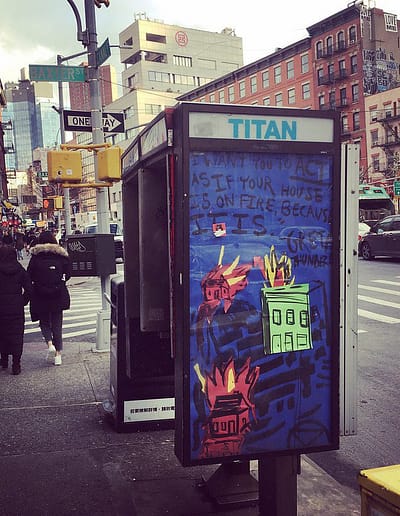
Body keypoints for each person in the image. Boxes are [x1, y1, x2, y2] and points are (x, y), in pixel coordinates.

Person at [27, 231, 71, 366]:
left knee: (44, 322)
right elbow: (68, 273)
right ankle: (58, 355)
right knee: (57, 324)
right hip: (58, 294)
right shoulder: (61, 256)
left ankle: (50, 343)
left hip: (40, 294)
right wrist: (59, 282)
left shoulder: (36, 257)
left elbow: (29, 275)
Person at [0, 244, 32, 375]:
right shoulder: (19, 270)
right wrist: (23, 301)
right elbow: (29, 289)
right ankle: (16, 364)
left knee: (2, 334)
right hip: (16, 308)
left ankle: (4, 360)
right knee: (17, 335)